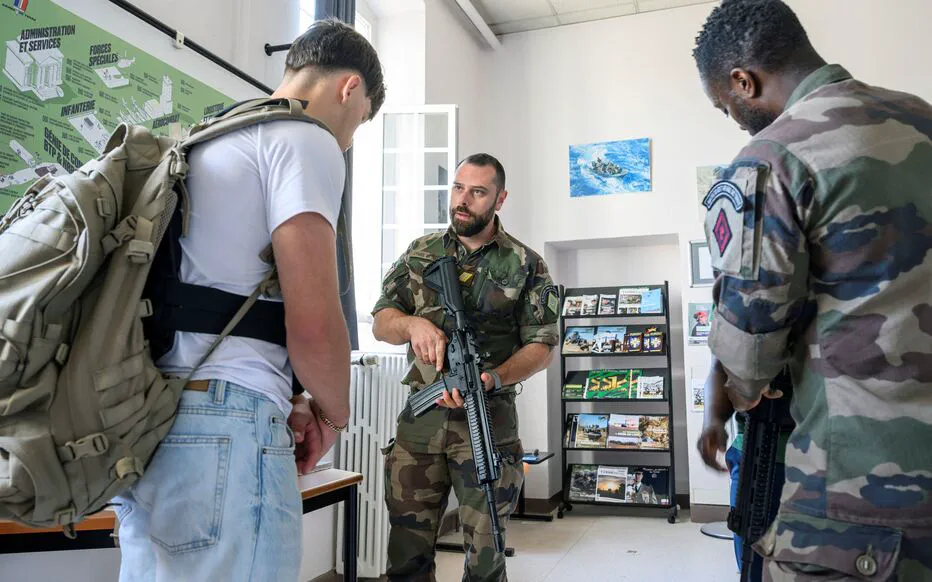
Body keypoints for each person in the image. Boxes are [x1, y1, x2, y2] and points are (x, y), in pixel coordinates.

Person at [113, 19, 385, 582]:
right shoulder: (306, 139)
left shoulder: (210, 137)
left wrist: (297, 393)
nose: (349, 140)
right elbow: (315, 321)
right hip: (227, 424)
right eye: (359, 123)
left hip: (150, 418)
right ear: (349, 88)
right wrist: (332, 415)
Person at [692, 0, 932, 579]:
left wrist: (726, 396)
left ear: (743, 81)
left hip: (859, 490)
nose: (735, 119)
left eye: (726, 106)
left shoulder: (771, 158)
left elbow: (750, 351)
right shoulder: (922, 117)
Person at [372, 153, 560, 581]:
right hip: (420, 425)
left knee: (486, 557)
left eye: (477, 192)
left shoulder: (525, 263)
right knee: (406, 554)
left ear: (500, 199)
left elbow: (543, 345)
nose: (463, 200)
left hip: (488, 422)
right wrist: (412, 324)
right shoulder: (420, 253)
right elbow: (382, 321)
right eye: (458, 188)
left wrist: (493, 378)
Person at [697, 362, 790, 582]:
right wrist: (713, 419)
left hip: (834, 459)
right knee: (755, 568)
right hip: (759, 453)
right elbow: (720, 366)